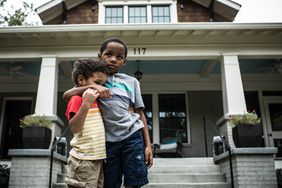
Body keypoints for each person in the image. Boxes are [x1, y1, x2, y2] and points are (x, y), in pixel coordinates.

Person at [63, 38, 153, 188]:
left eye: (119, 57)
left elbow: (139, 113)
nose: (113, 59)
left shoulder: (132, 82)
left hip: (132, 135)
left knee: (135, 181)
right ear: (100, 56)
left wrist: (148, 145)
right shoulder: (96, 79)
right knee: (111, 183)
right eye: (109, 54)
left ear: (124, 61)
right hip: (108, 142)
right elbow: (67, 95)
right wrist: (94, 86)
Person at [65, 58, 110, 188]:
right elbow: (74, 128)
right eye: (97, 83)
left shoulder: (97, 100)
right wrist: (86, 103)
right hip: (83, 159)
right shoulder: (77, 99)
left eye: (103, 84)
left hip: (97, 159)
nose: (101, 88)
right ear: (81, 80)